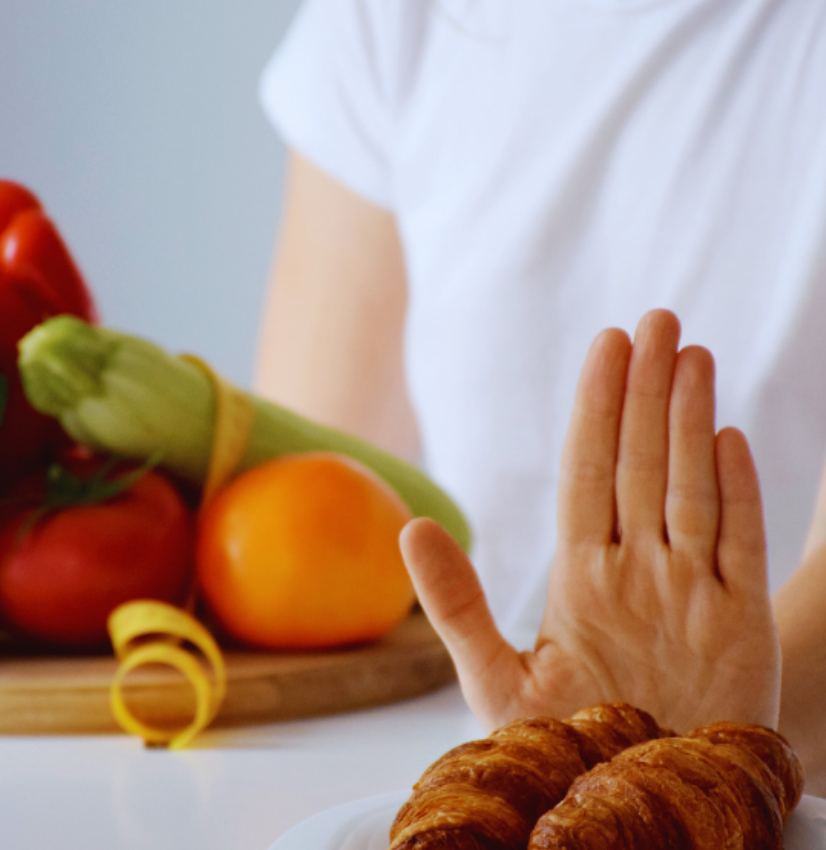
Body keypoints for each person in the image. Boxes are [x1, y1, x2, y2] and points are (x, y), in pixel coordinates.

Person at [254, 0, 826, 794]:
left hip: (785, 815)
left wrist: (700, 743)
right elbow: (290, 539)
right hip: (496, 797)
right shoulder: (391, 18)